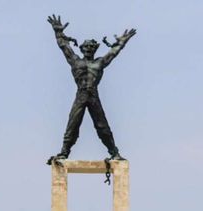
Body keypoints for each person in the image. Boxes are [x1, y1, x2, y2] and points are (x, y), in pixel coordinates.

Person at [45, 15, 136, 163]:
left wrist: (123, 42)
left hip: (93, 95)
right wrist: (58, 32)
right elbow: (64, 46)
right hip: (81, 94)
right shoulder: (75, 61)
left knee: (102, 125)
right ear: (81, 48)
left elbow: (113, 52)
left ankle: (114, 152)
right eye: (86, 47)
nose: (88, 49)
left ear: (95, 49)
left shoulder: (99, 63)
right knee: (72, 124)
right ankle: (64, 152)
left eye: (91, 47)